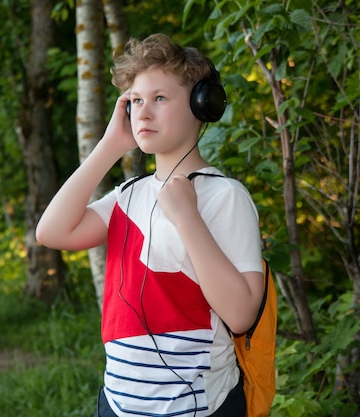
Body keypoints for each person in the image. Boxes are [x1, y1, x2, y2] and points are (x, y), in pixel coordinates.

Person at [35, 33, 264, 417]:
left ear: (201, 105)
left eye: (159, 98)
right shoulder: (129, 195)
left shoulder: (224, 197)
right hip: (119, 404)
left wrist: (187, 217)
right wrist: (110, 146)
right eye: (136, 101)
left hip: (199, 408)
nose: (143, 112)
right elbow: (52, 232)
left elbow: (241, 316)